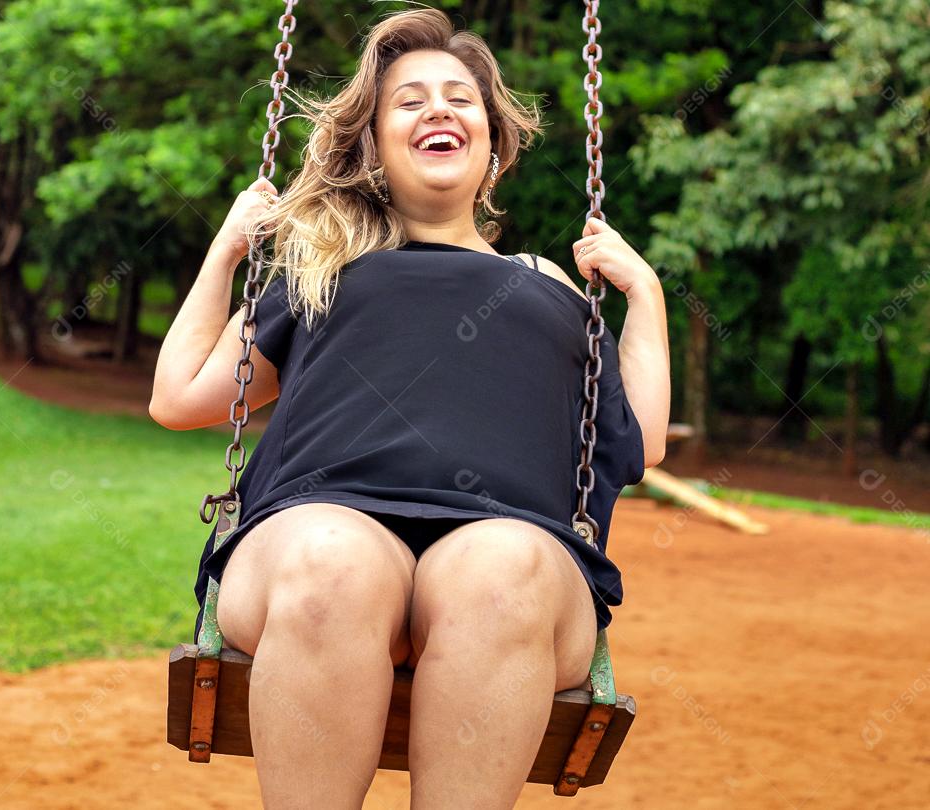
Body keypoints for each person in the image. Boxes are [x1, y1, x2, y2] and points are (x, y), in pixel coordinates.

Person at [150, 7, 670, 809]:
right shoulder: (325, 269)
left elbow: (642, 440)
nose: (438, 110)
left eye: (460, 99)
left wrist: (646, 293)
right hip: (315, 529)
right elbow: (181, 397)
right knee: (335, 560)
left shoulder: (549, 282)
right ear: (372, 145)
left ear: (493, 145)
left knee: (501, 569)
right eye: (410, 100)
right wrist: (227, 250)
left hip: (513, 540)